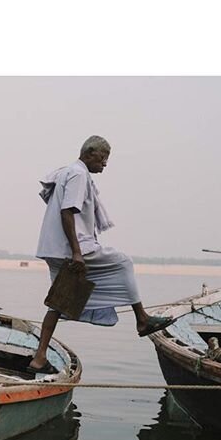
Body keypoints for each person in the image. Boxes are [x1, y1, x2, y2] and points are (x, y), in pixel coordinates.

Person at [28, 135, 173, 373]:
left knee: (58, 302)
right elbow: (67, 212)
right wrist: (77, 253)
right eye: (103, 158)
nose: (105, 163)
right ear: (89, 154)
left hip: (53, 247)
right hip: (69, 248)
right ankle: (142, 319)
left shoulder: (67, 172)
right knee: (123, 263)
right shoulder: (78, 174)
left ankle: (39, 357)